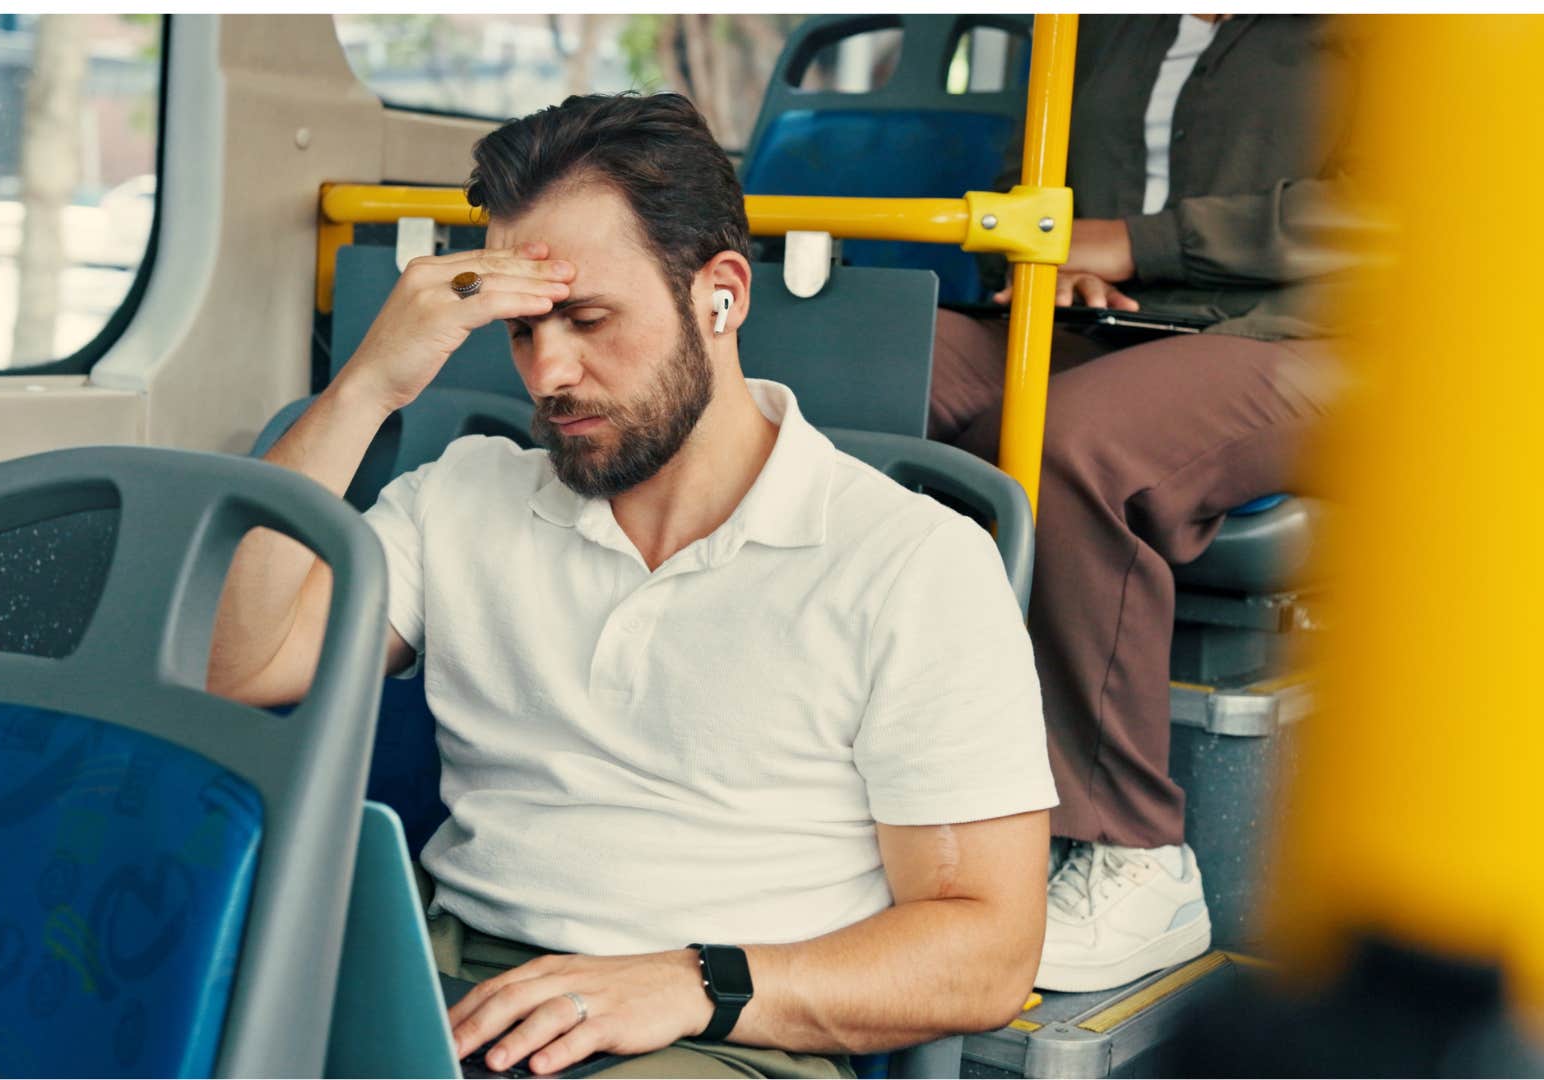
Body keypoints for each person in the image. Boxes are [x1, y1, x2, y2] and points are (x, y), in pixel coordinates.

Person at [211, 93, 1057, 1077]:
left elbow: (986, 953)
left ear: (721, 295)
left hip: (719, 1028)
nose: (548, 374)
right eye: (524, 330)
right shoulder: (461, 498)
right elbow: (245, 664)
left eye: (586, 318)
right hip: (459, 984)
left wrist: (692, 982)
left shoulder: (909, 562)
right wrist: (368, 386)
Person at [931, 15, 1358, 993]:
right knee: (877, 381)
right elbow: (1033, 180)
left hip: (1316, 338)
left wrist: (1134, 241)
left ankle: (1133, 851)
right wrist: (1059, 255)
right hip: (1118, 321)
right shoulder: (1105, 25)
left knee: (1068, 443)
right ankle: (924, 806)